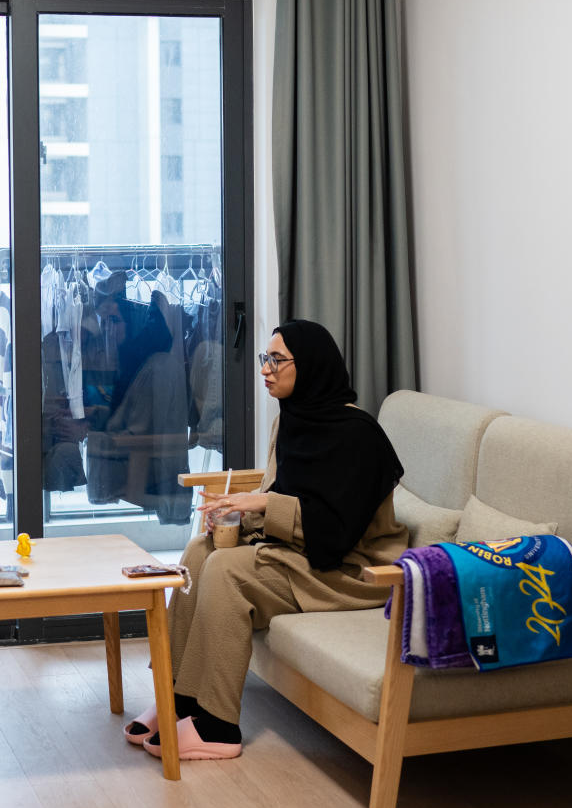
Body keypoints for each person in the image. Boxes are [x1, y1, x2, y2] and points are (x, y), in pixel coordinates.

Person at [124, 320, 408, 760]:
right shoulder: (291, 421)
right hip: (301, 554)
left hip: (352, 570)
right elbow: (284, 498)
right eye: (265, 358)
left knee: (227, 570)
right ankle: (178, 698)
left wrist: (257, 505)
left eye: (277, 360)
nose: (266, 369)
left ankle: (218, 726)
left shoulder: (358, 437)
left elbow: (334, 533)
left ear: (309, 366)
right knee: (202, 551)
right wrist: (238, 513)